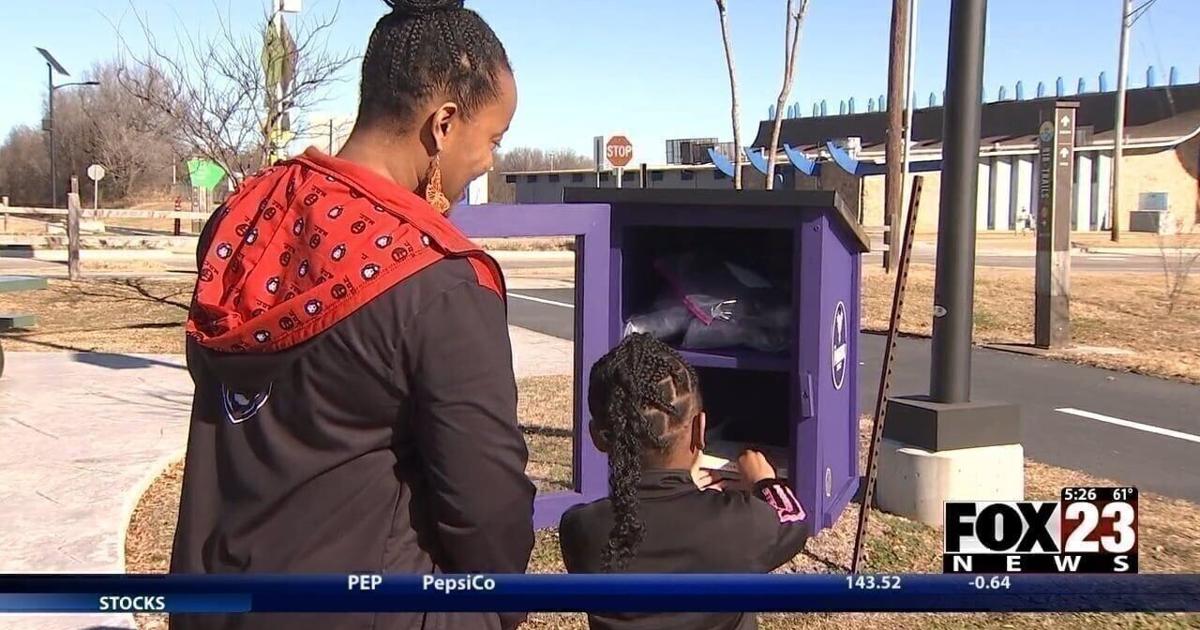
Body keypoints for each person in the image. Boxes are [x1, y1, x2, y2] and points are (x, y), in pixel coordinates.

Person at [170, 1, 534, 629]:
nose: (489, 163)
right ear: (443, 124)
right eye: (493, 139)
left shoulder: (241, 221)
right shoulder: (441, 282)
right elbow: (485, 508)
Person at [559, 333, 810, 630]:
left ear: (599, 437)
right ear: (699, 430)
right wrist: (764, 481)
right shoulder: (742, 524)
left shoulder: (580, 529)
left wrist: (689, 492)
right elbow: (794, 520)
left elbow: (660, 524)